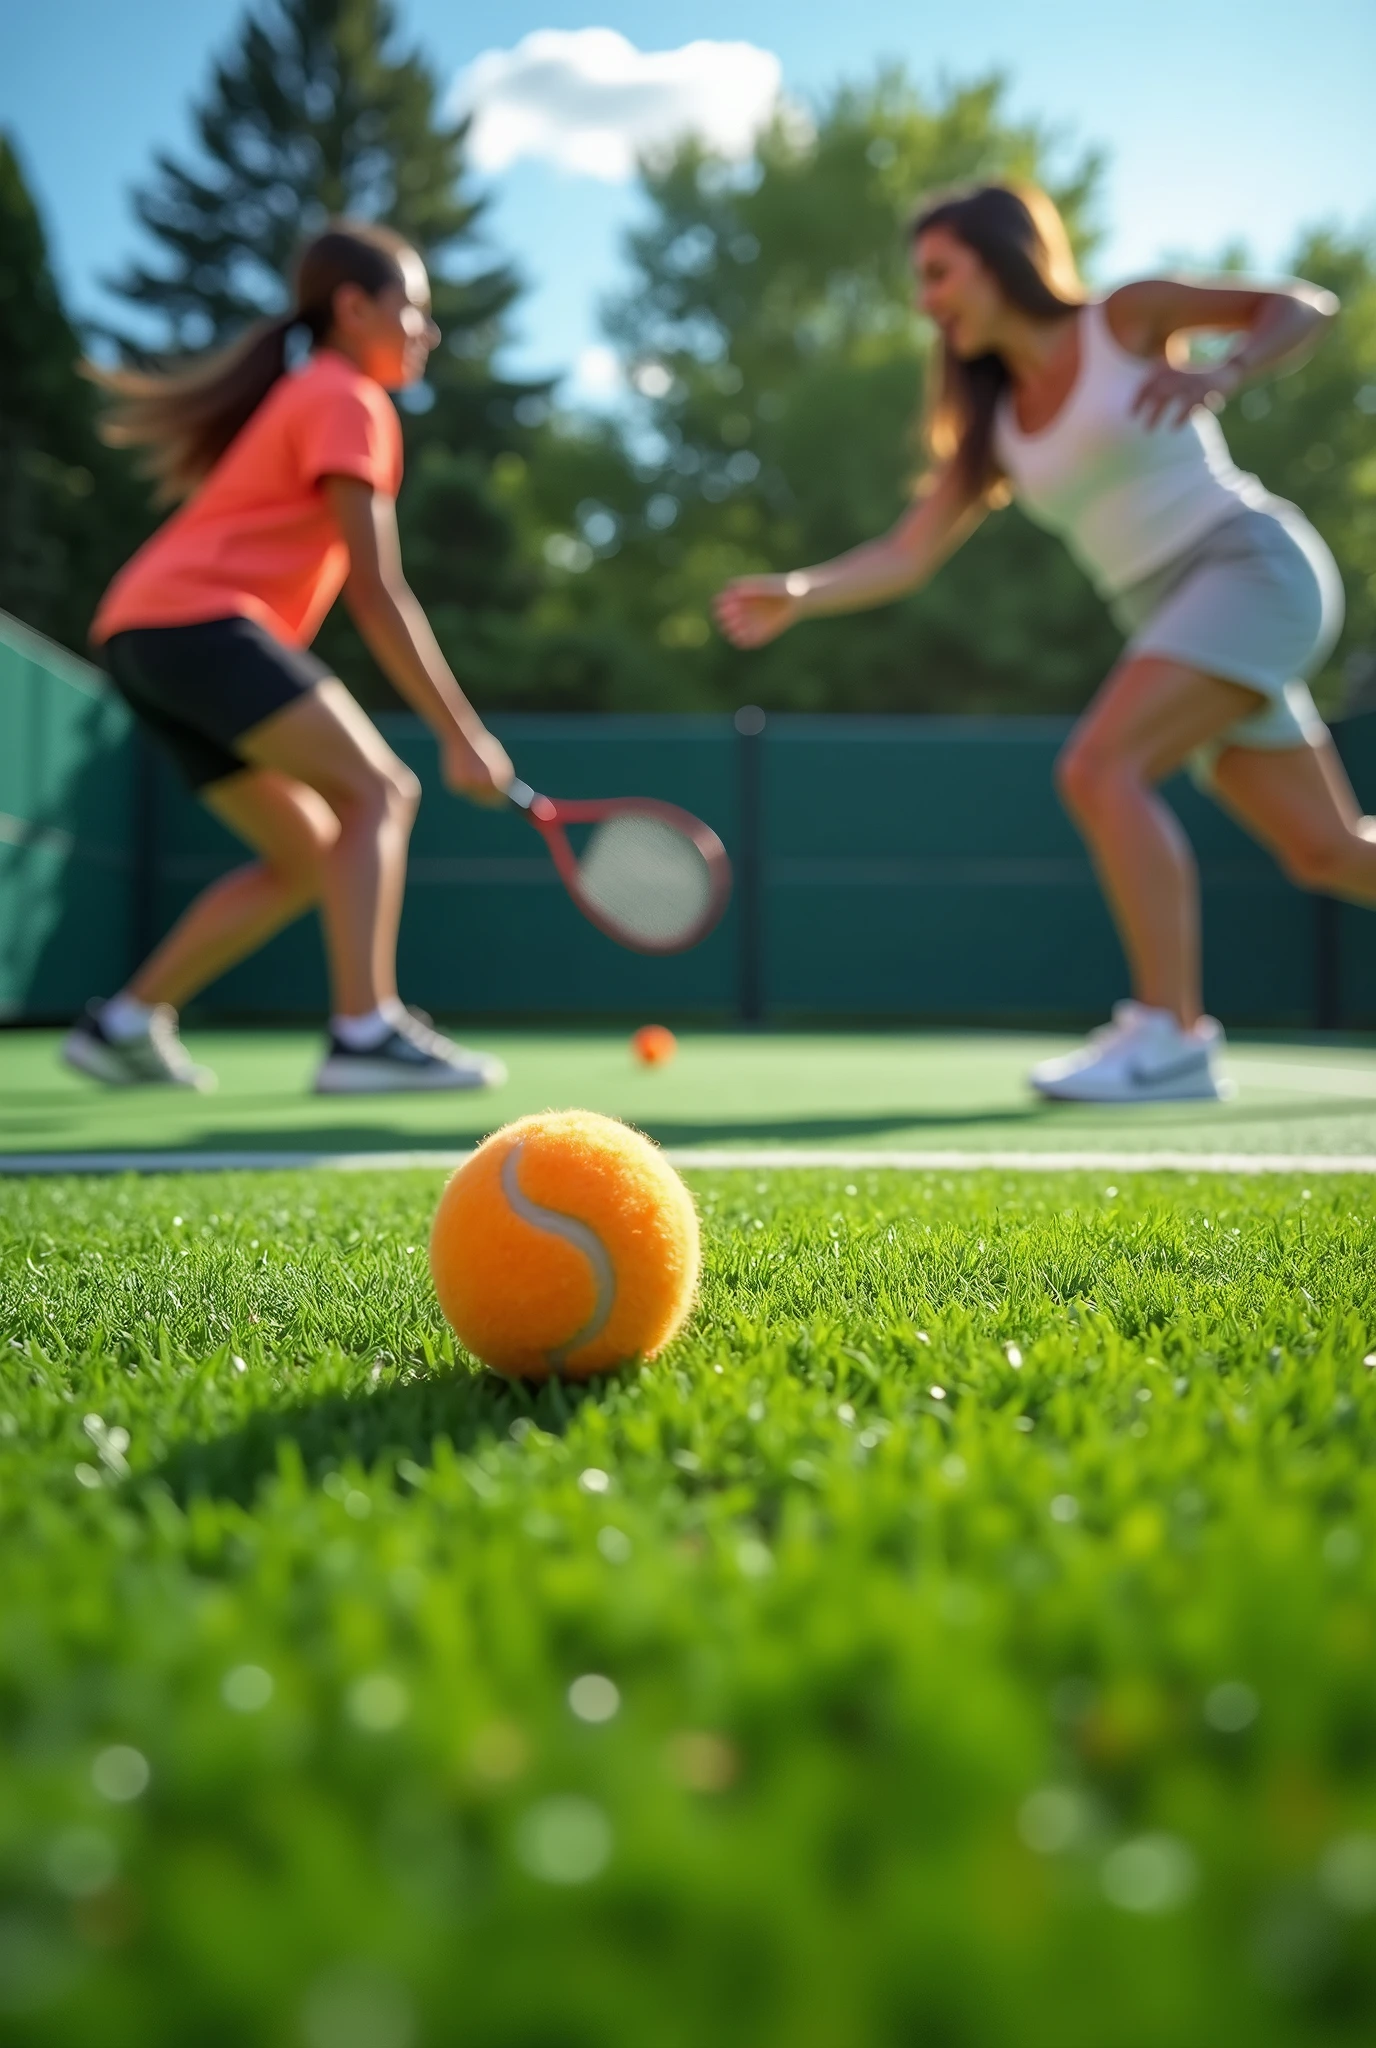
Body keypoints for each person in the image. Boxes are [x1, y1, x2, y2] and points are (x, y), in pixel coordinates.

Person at [715, 182, 1374, 1103]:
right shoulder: (993, 426)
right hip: (1175, 613)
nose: (926, 300)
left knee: (1099, 767)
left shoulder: (1126, 318)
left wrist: (1224, 370)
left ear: (1002, 258)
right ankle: (1168, 1032)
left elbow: (1303, 305)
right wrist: (799, 592)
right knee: (1327, 852)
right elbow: (907, 554)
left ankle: (1170, 1035)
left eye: (940, 274)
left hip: (1250, 570)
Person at [65, 220, 513, 1096]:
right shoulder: (350, 401)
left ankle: (123, 1024)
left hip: (140, 637)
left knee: (308, 849)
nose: (429, 331)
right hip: (200, 626)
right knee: (382, 789)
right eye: (414, 310)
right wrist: (463, 735)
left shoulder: (314, 391)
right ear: (354, 309)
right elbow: (379, 595)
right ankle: (363, 1033)